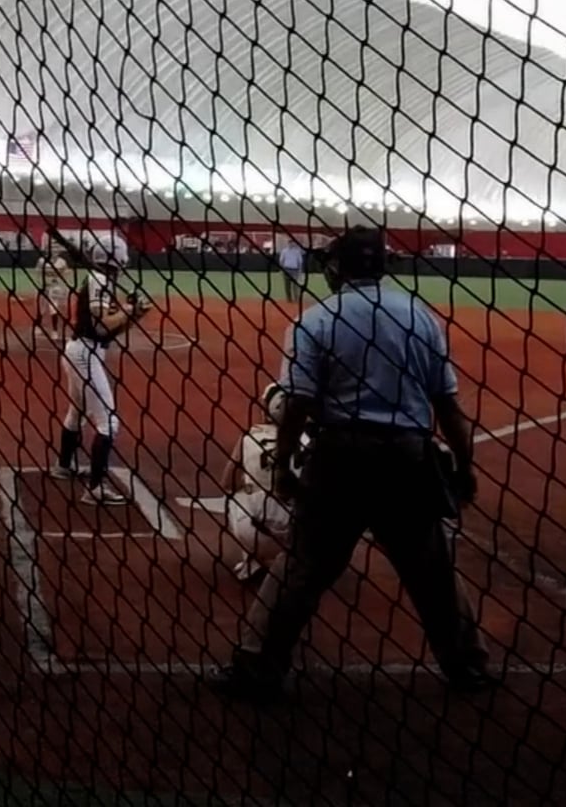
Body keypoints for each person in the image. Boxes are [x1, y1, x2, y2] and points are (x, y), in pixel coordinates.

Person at [209, 226, 495, 702]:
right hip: (407, 458)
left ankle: (258, 667)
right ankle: (468, 665)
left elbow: (298, 403)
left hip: (340, 457)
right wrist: (465, 467)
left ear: (337, 268)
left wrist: (283, 466)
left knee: (302, 568)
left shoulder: (315, 321)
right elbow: (447, 404)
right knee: (432, 570)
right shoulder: (419, 317)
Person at [52, 233, 153, 505]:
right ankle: (95, 489)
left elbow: (108, 332)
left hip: (83, 350)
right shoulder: (99, 279)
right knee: (108, 422)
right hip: (84, 353)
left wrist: (134, 314)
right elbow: (103, 324)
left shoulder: (100, 280)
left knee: (78, 412)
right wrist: (128, 309)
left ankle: (64, 465)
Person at [219, 384, 305, 584]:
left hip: (255, 528)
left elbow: (227, 482)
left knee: (234, 495)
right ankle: (298, 566)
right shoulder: (306, 441)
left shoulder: (249, 436)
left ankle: (252, 562)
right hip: (296, 532)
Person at [35, 238, 73, 341]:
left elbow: (66, 273)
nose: (54, 251)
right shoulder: (42, 261)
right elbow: (38, 274)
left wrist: (62, 283)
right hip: (43, 287)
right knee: (41, 308)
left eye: (56, 249)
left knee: (53, 308)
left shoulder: (62, 262)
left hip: (55, 287)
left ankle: (54, 331)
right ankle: (38, 326)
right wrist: (41, 285)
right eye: (52, 248)